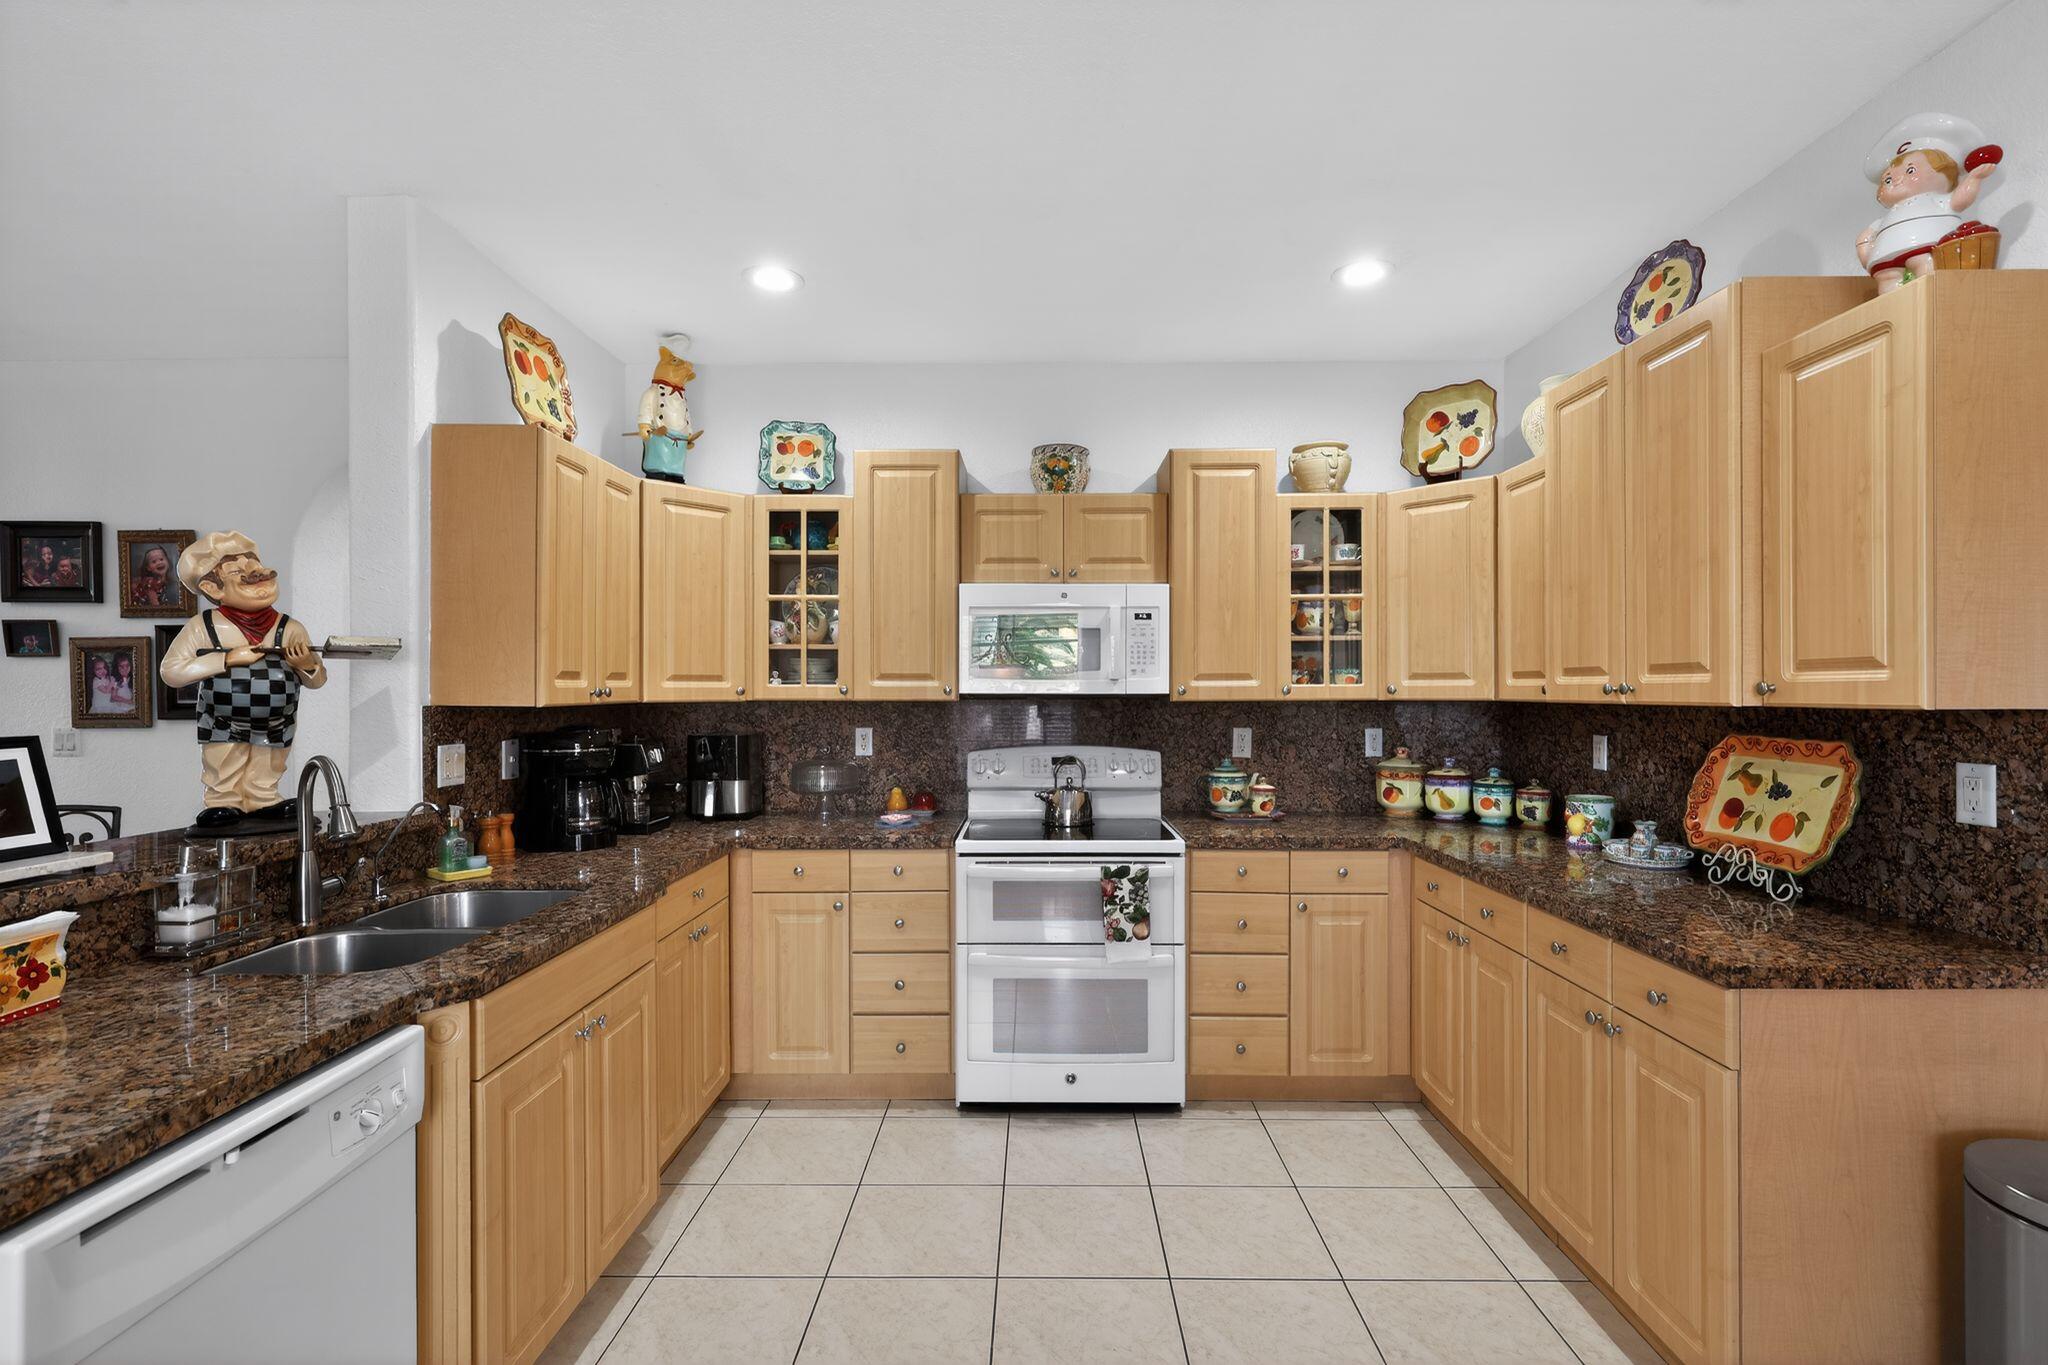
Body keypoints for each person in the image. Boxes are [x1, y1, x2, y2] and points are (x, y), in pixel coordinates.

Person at [159, 531, 327, 830]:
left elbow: (317, 681)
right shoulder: (203, 627)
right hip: (222, 720)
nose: (256, 574)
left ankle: (264, 799)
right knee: (224, 759)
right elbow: (171, 671)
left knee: (269, 761)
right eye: (238, 571)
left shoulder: (290, 628)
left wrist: (306, 666)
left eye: (256, 566)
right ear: (212, 587)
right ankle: (223, 801)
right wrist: (226, 659)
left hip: (277, 719)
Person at [1857, 112, 2002, 293]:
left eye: (1910, 171)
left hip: (1924, 245)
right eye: (1887, 180)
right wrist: (1865, 248)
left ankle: (1926, 296)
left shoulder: (1938, 200)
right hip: (1885, 253)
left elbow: (1960, 200)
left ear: (1945, 173)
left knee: (1926, 267)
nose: (1897, 180)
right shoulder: (1886, 218)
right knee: (1887, 278)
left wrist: (1975, 177)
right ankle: (1894, 301)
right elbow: (1866, 238)